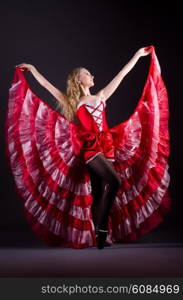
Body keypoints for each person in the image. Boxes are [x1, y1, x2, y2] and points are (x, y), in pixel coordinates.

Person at [6, 45, 171, 249]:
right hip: (90, 148)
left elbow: (122, 74)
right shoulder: (73, 102)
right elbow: (48, 86)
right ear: (78, 79)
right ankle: (102, 230)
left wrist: (137, 55)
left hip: (108, 146)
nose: (92, 75)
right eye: (87, 73)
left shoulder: (101, 96)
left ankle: (97, 233)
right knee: (115, 181)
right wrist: (32, 70)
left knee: (100, 192)